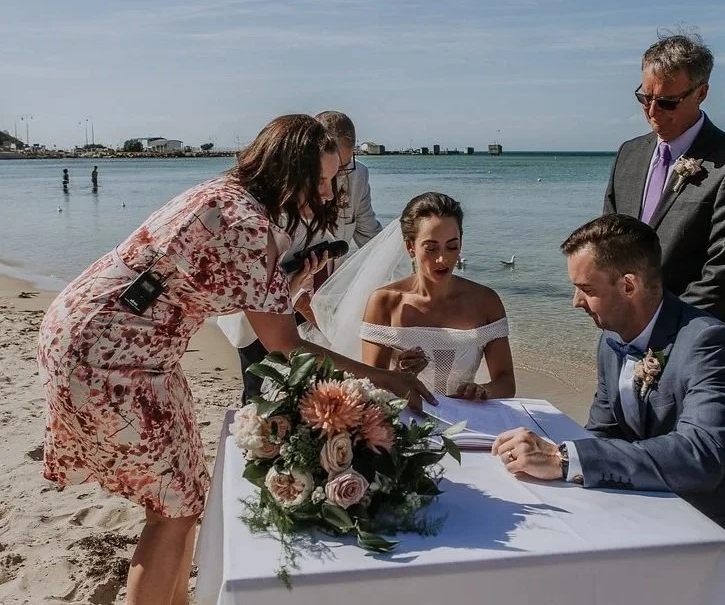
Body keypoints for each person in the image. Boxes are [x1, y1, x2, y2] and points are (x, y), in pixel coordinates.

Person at [38, 114, 434, 605]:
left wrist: (289, 284)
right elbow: (284, 345)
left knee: (184, 497)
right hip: (110, 355)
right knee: (175, 510)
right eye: (326, 180)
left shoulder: (230, 198)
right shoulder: (247, 223)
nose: (331, 195)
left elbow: (244, 306)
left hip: (108, 338)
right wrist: (382, 379)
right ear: (291, 169)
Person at [492, 214, 725, 604]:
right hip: (651, 519)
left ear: (629, 285)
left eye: (585, 289)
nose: (575, 301)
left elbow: (701, 456)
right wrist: (566, 463)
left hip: (720, 547)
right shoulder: (612, 342)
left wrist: (562, 456)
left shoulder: (709, 344)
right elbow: (604, 433)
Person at [603, 32, 725, 339]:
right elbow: (607, 245)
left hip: (696, 339)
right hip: (622, 334)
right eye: (645, 98)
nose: (652, 112)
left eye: (666, 102)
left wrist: (658, 330)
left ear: (700, 93)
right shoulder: (629, 153)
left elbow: (724, 275)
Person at [226, 110, 384, 404]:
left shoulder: (356, 176)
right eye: (327, 173)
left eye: (344, 167)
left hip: (317, 289)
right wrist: (301, 297)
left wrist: (402, 265)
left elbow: (368, 230)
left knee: (311, 389)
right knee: (261, 381)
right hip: (272, 291)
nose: (334, 184)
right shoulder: (261, 212)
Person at [358, 192, 516, 399]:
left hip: (468, 421)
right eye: (431, 248)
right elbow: (369, 388)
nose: (442, 259)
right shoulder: (385, 302)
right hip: (405, 421)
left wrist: (484, 390)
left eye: (452, 246)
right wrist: (399, 375)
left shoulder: (486, 302)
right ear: (410, 247)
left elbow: (506, 383)